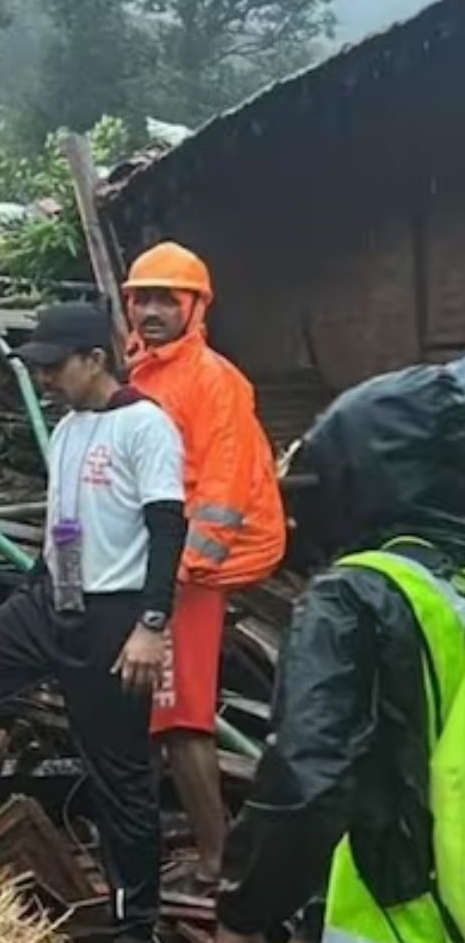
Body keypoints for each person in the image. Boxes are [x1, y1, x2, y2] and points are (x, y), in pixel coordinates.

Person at [0, 301, 186, 943]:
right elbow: (67, 524)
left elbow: (168, 529)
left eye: (56, 366)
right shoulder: (68, 430)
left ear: (95, 359)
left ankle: (136, 937)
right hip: (54, 600)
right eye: (40, 368)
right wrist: (36, 589)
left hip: (116, 618)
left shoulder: (147, 426)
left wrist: (151, 625)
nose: (46, 379)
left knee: (119, 777)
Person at [203, 360, 465, 943]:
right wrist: (317, 923)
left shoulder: (356, 595)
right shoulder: (451, 591)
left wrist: (246, 913)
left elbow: (310, 776)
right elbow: (397, 768)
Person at [122, 241, 287, 898]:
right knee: (158, 713)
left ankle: (219, 865)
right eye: (144, 298)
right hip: (158, 567)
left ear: (196, 307)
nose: (154, 310)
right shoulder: (146, 374)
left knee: (181, 716)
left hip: (186, 575)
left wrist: (177, 578)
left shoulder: (211, 379)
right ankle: (190, 845)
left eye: (168, 298)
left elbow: (221, 488)